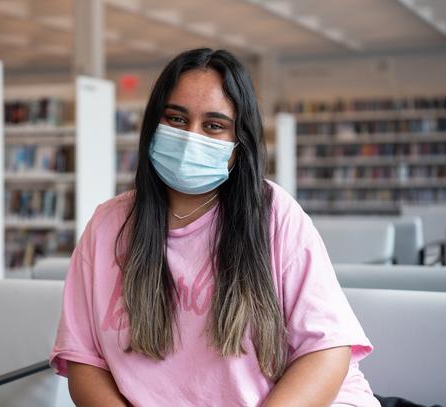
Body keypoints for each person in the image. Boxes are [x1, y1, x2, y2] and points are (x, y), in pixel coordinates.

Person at [50, 48, 380, 407]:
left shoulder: (276, 214)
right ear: (153, 126)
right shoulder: (108, 225)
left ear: (240, 144)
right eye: (176, 119)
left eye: (213, 125)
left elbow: (327, 351)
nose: (192, 137)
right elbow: (84, 363)